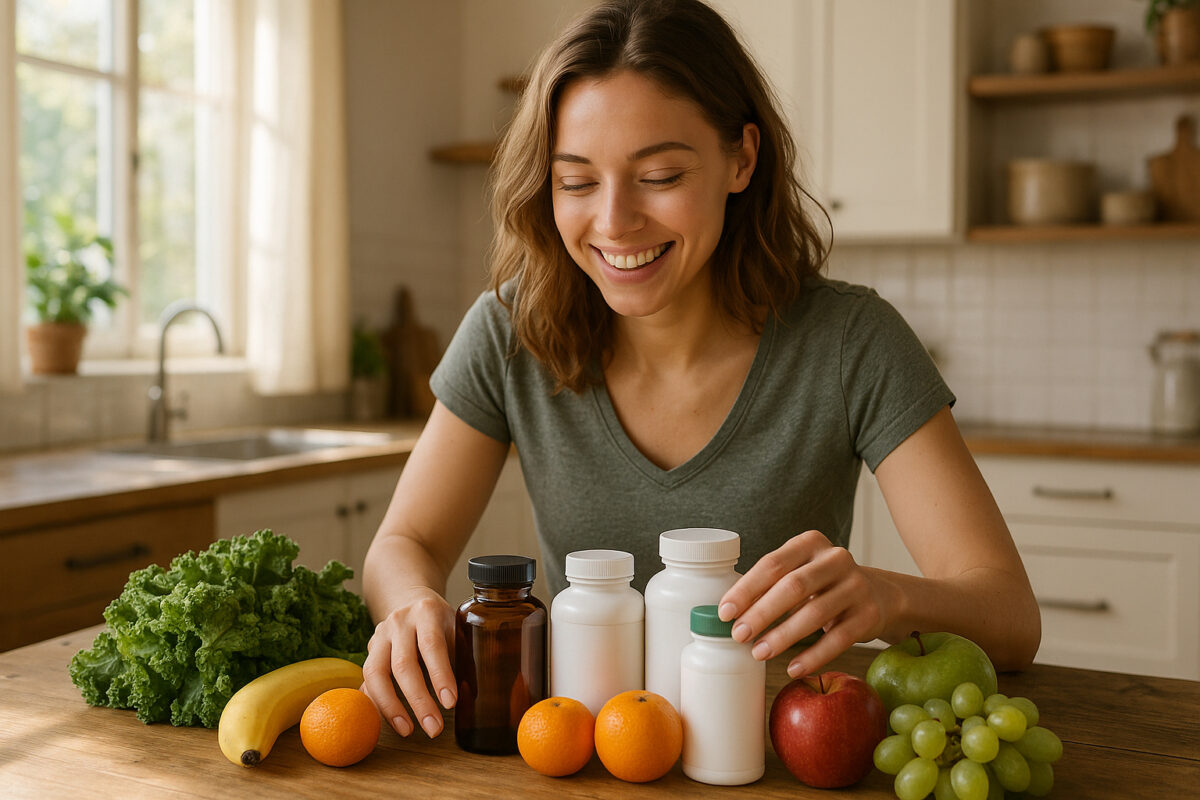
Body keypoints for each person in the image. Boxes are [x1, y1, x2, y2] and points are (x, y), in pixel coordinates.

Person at [361, 0, 1040, 741]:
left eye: (658, 175)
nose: (615, 221)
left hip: (769, 755)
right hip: (583, 753)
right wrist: (409, 604)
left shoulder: (851, 341)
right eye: (578, 182)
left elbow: (1009, 615)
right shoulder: (506, 332)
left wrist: (887, 596)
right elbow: (406, 545)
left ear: (741, 159)